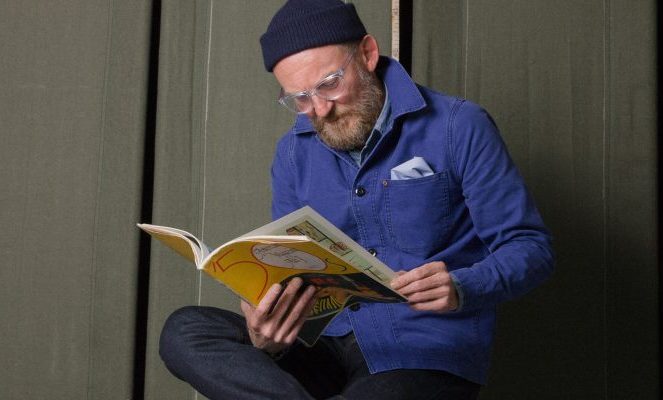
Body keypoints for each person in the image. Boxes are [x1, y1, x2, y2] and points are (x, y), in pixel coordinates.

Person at [159, 1, 554, 399]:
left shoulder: (459, 125)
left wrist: (462, 285)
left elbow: (531, 249)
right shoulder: (292, 153)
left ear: (367, 54)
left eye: (329, 84)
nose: (319, 110)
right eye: (299, 98)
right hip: (322, 344)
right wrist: (271, 337)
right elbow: (289, 270)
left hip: (421, 353)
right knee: (185, 330)